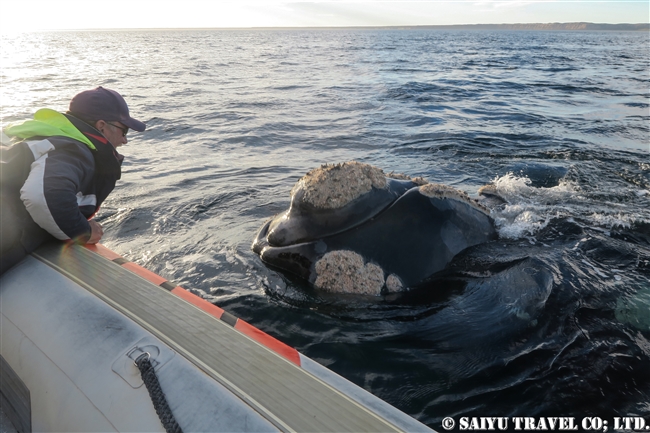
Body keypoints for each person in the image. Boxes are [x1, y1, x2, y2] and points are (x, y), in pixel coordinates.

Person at [0, 86, 146, 274]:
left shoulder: (41, 138)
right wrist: (83, 231)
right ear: (101, 126)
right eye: (124, 130)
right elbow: (43, 195)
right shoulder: (74, 151)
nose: (125, 140)